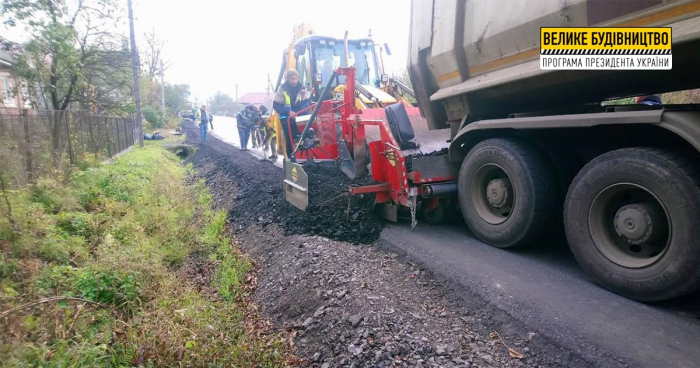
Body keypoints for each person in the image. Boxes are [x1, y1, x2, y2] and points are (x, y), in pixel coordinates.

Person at [273, 68, 311, 158]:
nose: (294, 81)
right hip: (286, 119)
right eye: (292, 79)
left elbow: (305, 104)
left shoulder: (303, 90)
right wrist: (288, 112)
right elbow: (276, 105)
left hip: (300, 117)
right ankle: (290, 159)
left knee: (304, 137)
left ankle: (303, 158)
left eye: (296, 78)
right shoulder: (281, 90)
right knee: (290, 140)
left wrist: (297, 114)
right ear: (288, 79)